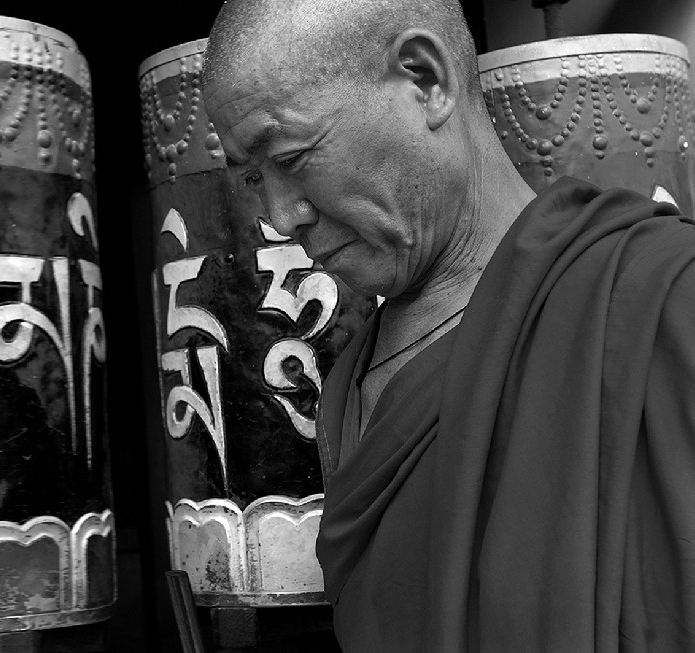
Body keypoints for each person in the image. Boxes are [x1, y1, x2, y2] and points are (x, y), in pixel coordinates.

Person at [202, 0, 695, 651]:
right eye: (251, 179)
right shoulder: (350, 384)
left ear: (425, 79)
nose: (279, 215)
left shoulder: (657, 292)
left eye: (290, 157)